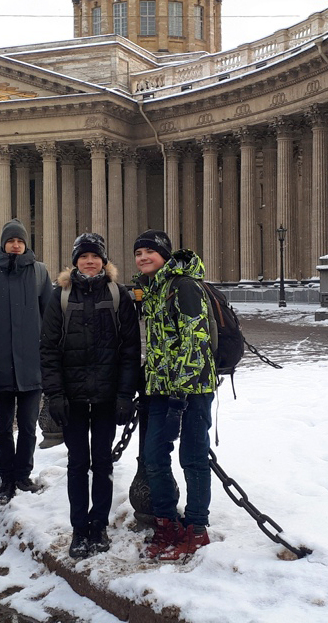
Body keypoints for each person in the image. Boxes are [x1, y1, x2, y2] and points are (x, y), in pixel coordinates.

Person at [40, 233, 140, 559]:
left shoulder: (118, 295)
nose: (89, 261)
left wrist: (125, 394)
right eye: (84, 256)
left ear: (103, 260)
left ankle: (99, 526)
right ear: (76, 261)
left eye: (95, 256)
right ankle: (79, 529)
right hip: (73, 399)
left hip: (107, 398)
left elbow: (129, 350)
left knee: (102, 464)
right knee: (77, 464)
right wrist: (55, 395)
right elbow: (49, 351)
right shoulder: (61, 297)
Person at [133, 229, 216, 561]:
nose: (142, 258)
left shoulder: (183, 285)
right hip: (160, 389)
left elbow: (195, 342)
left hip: (192, 390)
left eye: (149, 252)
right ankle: (167, 524)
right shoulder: (152, 290)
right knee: (153, 459)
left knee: (193, 459)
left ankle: (196, 529)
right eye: (138, 253)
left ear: (164, 255)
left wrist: (180, 393)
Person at [0, 218, 53, 505]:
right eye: (10, 240)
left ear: (25, 244)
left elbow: (51, 316)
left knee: (28, 426)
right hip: (1, 363)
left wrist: (46, 347)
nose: (15, 244)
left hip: (31, 364)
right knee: (3, 428)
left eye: (19, 240)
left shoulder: (40, 273)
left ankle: (22, 475)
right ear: (3, 244)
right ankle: (6, 479)